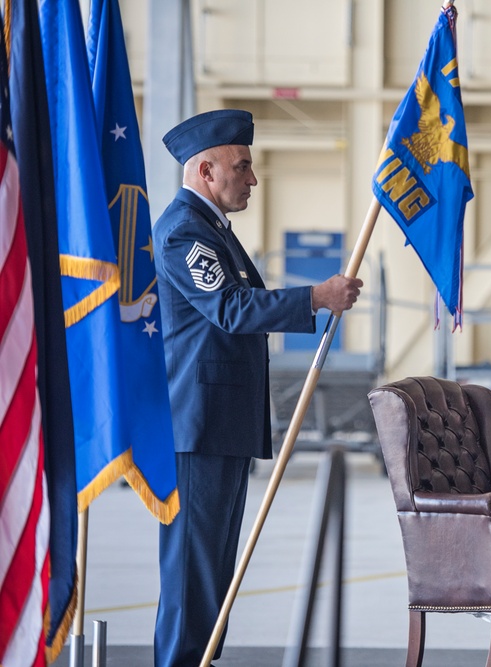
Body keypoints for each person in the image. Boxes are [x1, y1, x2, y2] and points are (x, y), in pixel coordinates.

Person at [152, 109, 364, 667]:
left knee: (215, 562)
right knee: (192, 566)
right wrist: (316, 297)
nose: (251, 178)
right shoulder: (184, 232)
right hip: (198, 423)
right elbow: (229, 307)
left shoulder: (213, 231)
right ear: (205, 171)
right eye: (241, 166)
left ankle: (200, 657)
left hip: (222, 421)